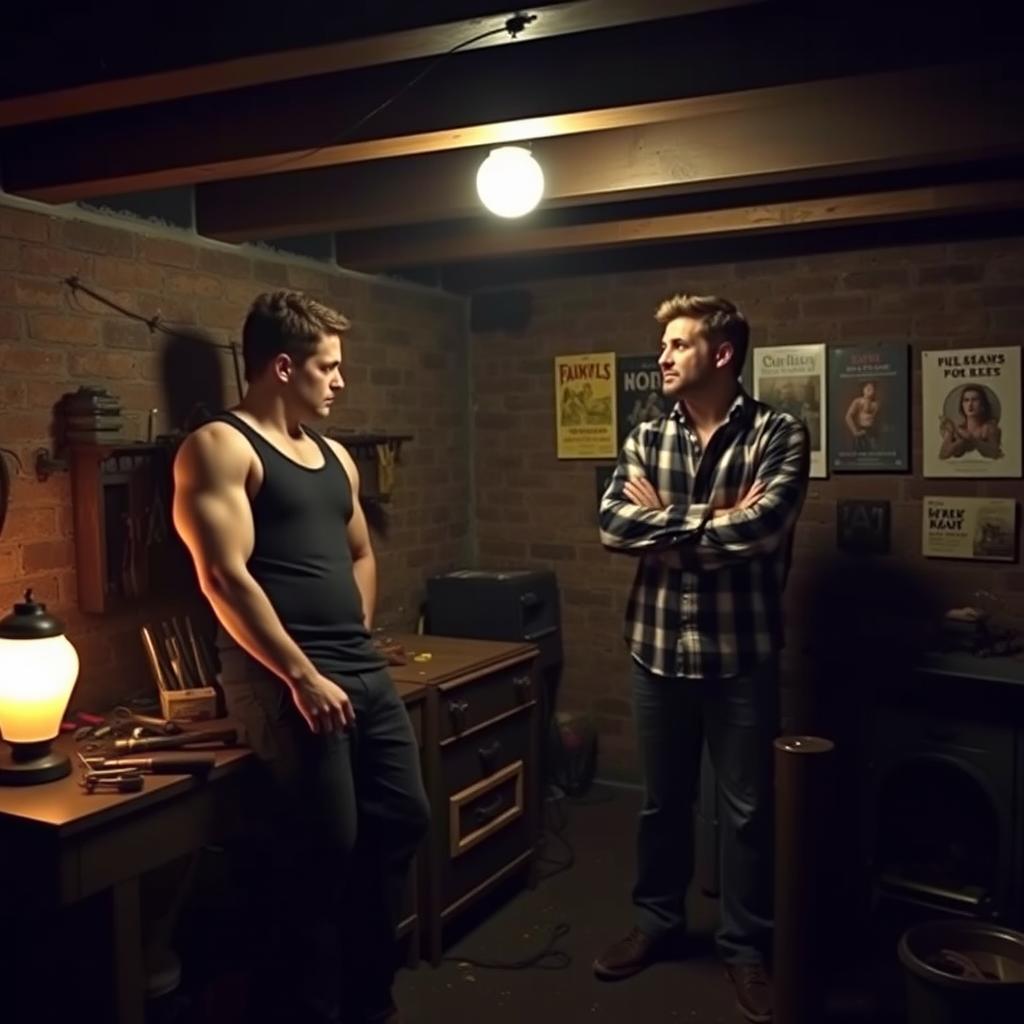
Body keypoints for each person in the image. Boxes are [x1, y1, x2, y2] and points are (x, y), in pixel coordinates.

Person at [172, 290, 429, 1024]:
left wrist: (353, 638)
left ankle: (367, 1002)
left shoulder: (336, 457)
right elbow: (223, 577)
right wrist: (302, 671)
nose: (341, 381)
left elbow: (360, 553)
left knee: (400, 820)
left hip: (355, 670)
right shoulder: (219, 446)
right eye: (329, 366)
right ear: (282, 367)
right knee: (324, 853)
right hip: (278, 680)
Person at [594, 294, 809, 1024]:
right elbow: (613, 525)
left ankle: (746, 949)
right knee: (662, 803)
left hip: (741, 652)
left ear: (721, 354)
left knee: (747, 812)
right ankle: (656, 922)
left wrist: (669, 526)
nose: (663, 357)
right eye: (665, 345)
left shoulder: (780, 434)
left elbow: (765, 525)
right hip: (655, 648)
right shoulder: (647, 436)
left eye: (679, 344)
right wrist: (711, 520)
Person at [938, 384, 1003, 460]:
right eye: (966, 400)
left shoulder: (989, 428)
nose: (970, 404)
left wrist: (972, 439)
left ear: (983, 405)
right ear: (962, 405)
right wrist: (951, 434)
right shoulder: (957, 429)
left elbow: (994, 453)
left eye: (975, 400)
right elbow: (943, 455)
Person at [844, 380, 880, 453]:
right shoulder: (858, 401)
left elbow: (877, 419)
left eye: (872, 388)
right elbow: (848, 416)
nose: (870, 391)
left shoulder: (876, 404)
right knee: (860, 454)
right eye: (868, 388)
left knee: (873, 454)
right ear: (863, 389)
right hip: (861, 432)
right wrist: (855, 431)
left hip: (872, 433)